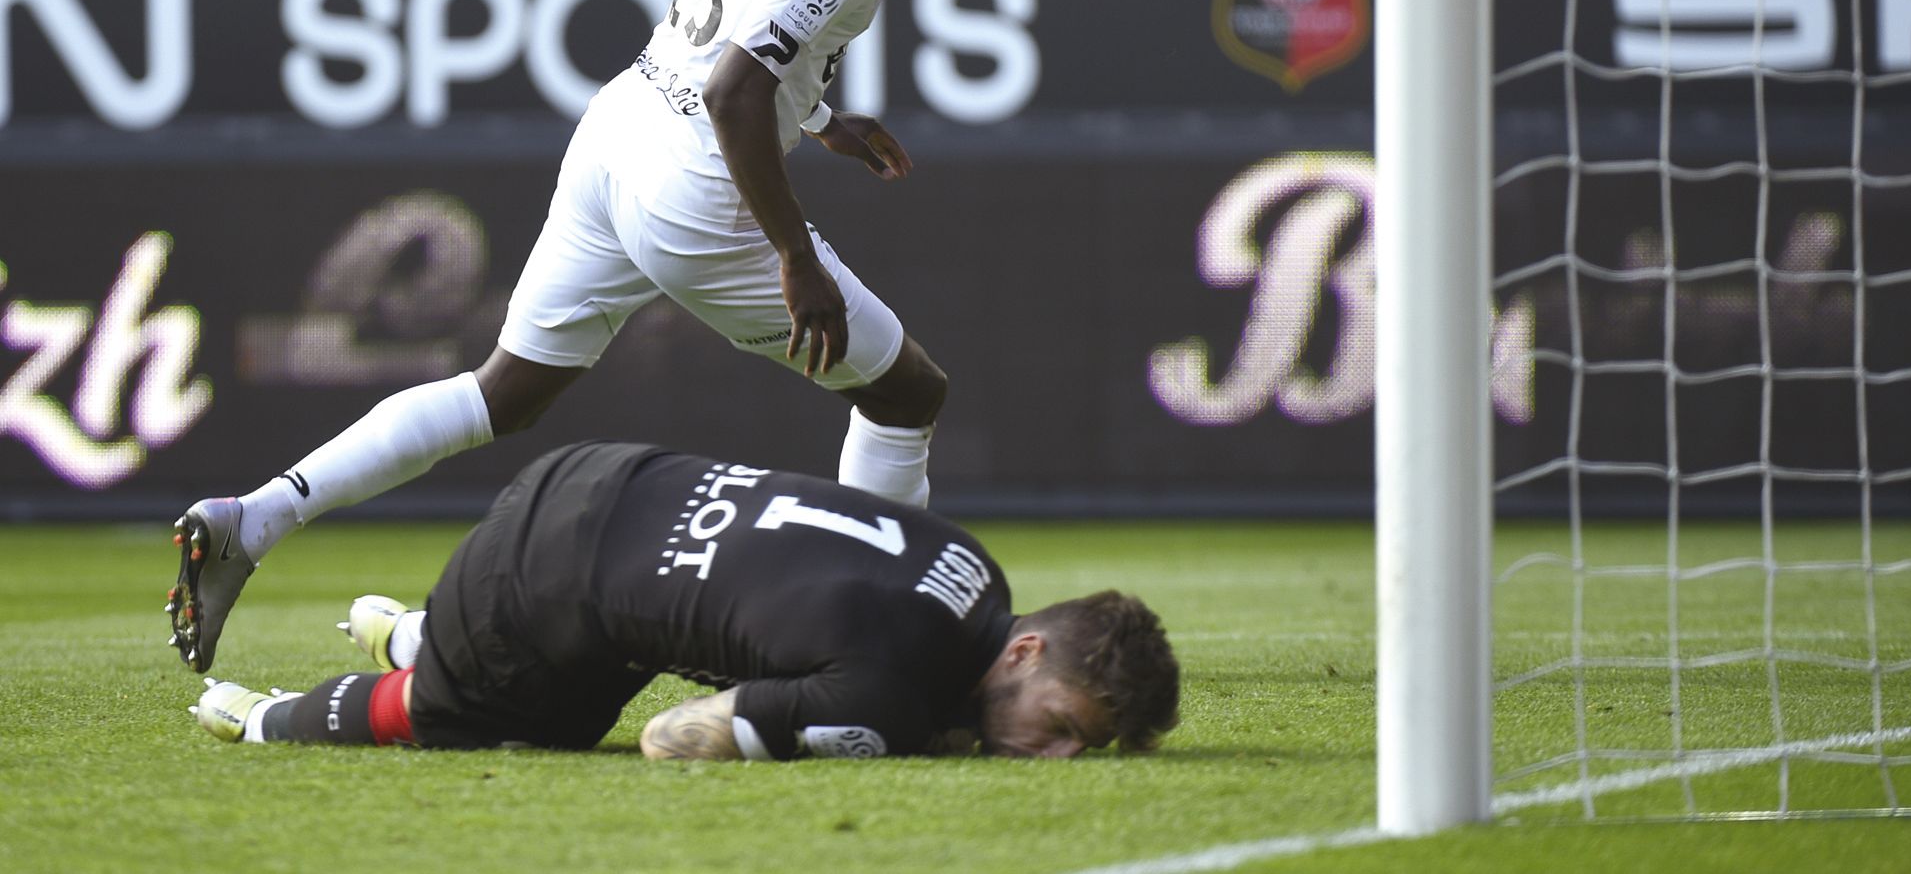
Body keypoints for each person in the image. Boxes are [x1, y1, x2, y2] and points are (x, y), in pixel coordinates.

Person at [167, 0, 968, 675]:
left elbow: (727, 45)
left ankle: (252, 520)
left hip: (621, 127)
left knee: (499, 395)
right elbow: (734, 87)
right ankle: (869, 628)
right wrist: (798, 257)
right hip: (693, 187)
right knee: (905, 392)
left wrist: (819, 120)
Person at [188, 441, 1181, 760]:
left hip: (599, 469)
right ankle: (264, 716)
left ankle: (411, 631)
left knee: (609, 662)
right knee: (499, 722)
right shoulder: (893, 695)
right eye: (1059, 726)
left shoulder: (978, 572)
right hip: (536, 577)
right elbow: (676, 736)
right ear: (1025, 657)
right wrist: (912, 736)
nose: (1054, 756)